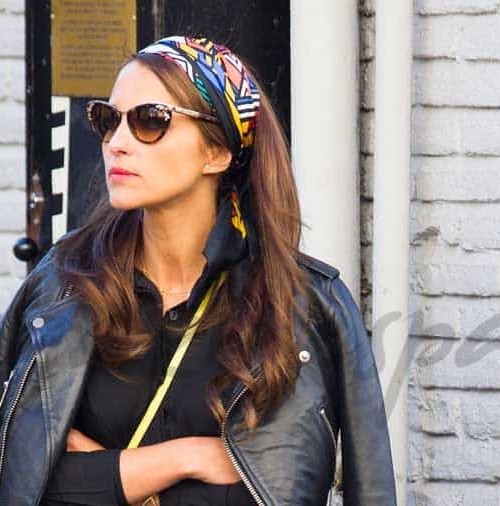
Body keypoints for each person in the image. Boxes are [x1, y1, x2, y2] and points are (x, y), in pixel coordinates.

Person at [0, 36, 396, 505]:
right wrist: (187, 458)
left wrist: (103, 474)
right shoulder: (63, 284)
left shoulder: (301, 308)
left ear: (218, 152)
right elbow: (22, 477)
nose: (117, 144)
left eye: (150, 120)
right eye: (108, 120)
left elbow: (288, 487)